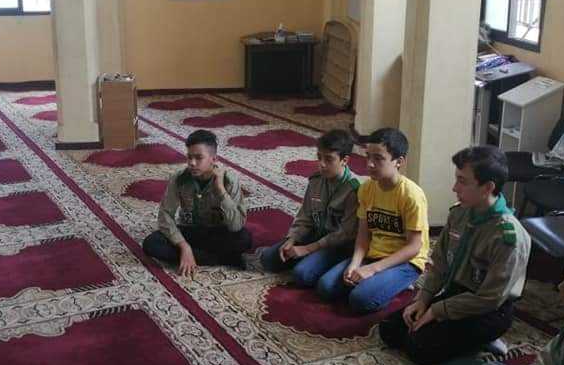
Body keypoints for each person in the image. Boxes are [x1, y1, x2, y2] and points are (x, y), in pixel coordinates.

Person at [380, 145, 529, 364]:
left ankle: (483, 340)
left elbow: (489, 298)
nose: (454, 188)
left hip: (488, 309)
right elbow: (440, 263)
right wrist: (424, 299)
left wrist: (437, 311)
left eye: (462, 181)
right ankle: (459, 336)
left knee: (418, 348)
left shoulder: (508, 237)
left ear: (487, 187)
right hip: (457, 294)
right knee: (390, 329)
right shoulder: (459, 213)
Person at [316, 128, 429, 313]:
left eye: (378, 158)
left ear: (399, 162)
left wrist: (372, 269)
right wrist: (355, 263)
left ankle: (399, 283)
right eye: (368, 156)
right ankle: (376, 284)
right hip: (374, 254)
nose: (369, 164)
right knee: (325, 287)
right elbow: (363, 235)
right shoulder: (367, 188)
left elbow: (414, 247)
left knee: (359, 300)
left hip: (406, 262)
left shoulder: (411, 195)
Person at [255, 129, 360, 287]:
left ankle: (327, 265)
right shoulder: (316, 180)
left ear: (344, 160)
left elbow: (345, 234)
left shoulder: (353, 189)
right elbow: (305, 216)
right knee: (268, 259)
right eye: (319, 157)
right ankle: (311, 260)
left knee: (301, 275)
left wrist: (307, 249)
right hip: (315, 235)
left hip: (336, 246)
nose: (322, 164)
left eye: (329, 159)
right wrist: (293, 239)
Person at [142, 129, 251, 277]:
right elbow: (165, 215)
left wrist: (220, 189)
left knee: (244, 239)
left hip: (217, 233)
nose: (192, 163)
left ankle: (198, 257)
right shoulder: (179, 179)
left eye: (199, 158)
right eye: (189, 157)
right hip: (190, 231)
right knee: (151, 244)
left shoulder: (229, 181)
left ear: (213, 159)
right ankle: (220, 258)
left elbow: (236, 225)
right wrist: (184, 246)